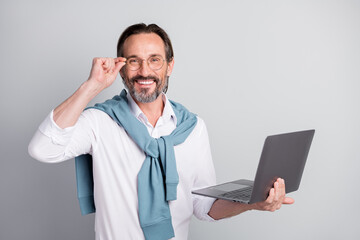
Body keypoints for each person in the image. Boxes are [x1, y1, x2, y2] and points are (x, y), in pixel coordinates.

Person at [28, 23, 294, 240]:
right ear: (122, 69)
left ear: (170, 65)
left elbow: (203, 207)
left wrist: (253, 203)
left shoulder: (192, 128)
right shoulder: (99, 121)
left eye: (155, 60)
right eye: (134, 61)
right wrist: (91, 86)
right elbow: (42, 149)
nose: (145, 71)